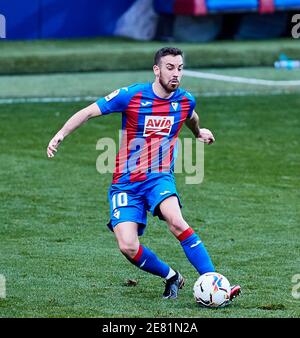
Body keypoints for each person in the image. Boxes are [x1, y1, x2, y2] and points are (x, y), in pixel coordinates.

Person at [47, 47, 241, 302]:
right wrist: (60, 134)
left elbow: (191, 116)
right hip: (125, 183)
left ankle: (215, 282)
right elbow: (88, 112)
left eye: (180, 68)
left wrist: (198, 132)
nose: (176, 74)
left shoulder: (184, 100)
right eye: (170, 68)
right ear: (156, 70)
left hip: (159, 177)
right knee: (127, 246)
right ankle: (171, 276)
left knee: (176, 220)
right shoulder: (131, 95)